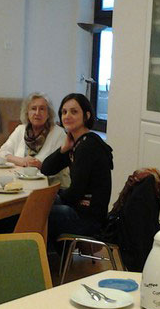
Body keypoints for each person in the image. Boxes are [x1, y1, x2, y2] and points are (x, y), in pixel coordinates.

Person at [41, 93, 113, 245]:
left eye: (74, 112)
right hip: (80, 209)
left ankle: (40, 255)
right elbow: (46, 169)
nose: (67, 116)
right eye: (64, 112)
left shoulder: (89, 146)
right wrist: (64, 149)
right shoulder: (76, 144)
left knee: (38, 211)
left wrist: (53, 198)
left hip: (89, 219)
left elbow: (76, 191)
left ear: (86, 115)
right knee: (40, 204)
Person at [0, 93, 66, 168]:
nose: (37, 113)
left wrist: (41, 166)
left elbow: (62, 166)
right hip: (16, 174)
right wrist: (22, 161)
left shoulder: (58, 133)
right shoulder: (21, 129)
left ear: (48, 114)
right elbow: (1, 153)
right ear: (27, 113)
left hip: (45, 176)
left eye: (42, 109)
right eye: (33, 108)